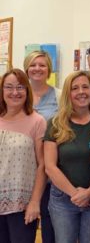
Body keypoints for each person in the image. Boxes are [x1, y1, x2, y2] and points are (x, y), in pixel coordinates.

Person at [43, 71, 90, 243]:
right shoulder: (55, 124)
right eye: (75, 88)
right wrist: (76, 194)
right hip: (62, 201)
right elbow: (50, 167)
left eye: (85, 87)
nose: (81, 91)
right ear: (68, 94)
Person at [0, 68, 47, 243]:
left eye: (20, 87)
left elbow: (43, 165)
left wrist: (35, 202)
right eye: (9, 87)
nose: (14, 92)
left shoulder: (37, 121)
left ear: (27, 90)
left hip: (22, 206)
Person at [24, 50, 60, 243]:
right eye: (33, 65)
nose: (37, 68)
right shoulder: (17, 94)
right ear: (26, 68)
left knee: (49, 224)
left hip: (50, 173)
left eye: (42, 65)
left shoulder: (60, 96)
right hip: (22, 172)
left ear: (49, 70)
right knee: (21, 226)